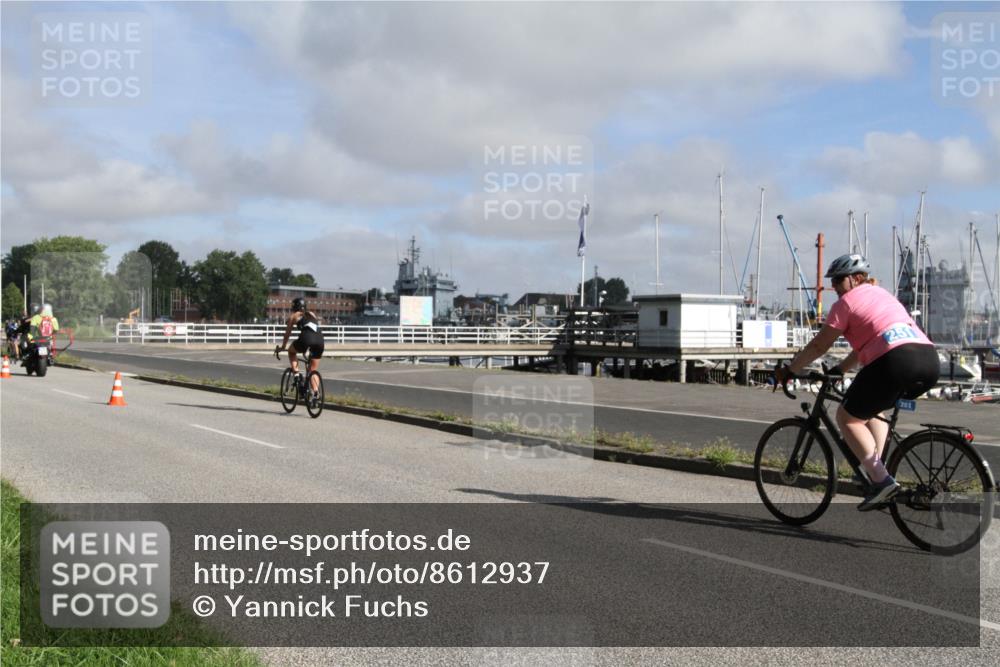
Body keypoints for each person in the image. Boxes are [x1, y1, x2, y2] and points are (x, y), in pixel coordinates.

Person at [775, 254, 939, 511]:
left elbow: (819, 345)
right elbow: (864, 345)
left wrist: (790, 370)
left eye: (839, 280)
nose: (835, 287)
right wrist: (841, 369)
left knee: (847, 418)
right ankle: (878, 468)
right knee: (872, 409)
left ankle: (881, 481)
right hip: (929, 360)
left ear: (857, 278)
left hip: (894, 360)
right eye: (833, 281)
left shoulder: (846, 304)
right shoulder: (883, 295)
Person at [276, 297, 324, 395]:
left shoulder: (294, 316)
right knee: (312, 370)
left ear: (294, 307)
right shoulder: (312, 314)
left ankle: (297, 375)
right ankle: (315, 394)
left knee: (291, 351)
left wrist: (283, 347)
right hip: (320, 340)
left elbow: (287, 334)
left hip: (306, 339)